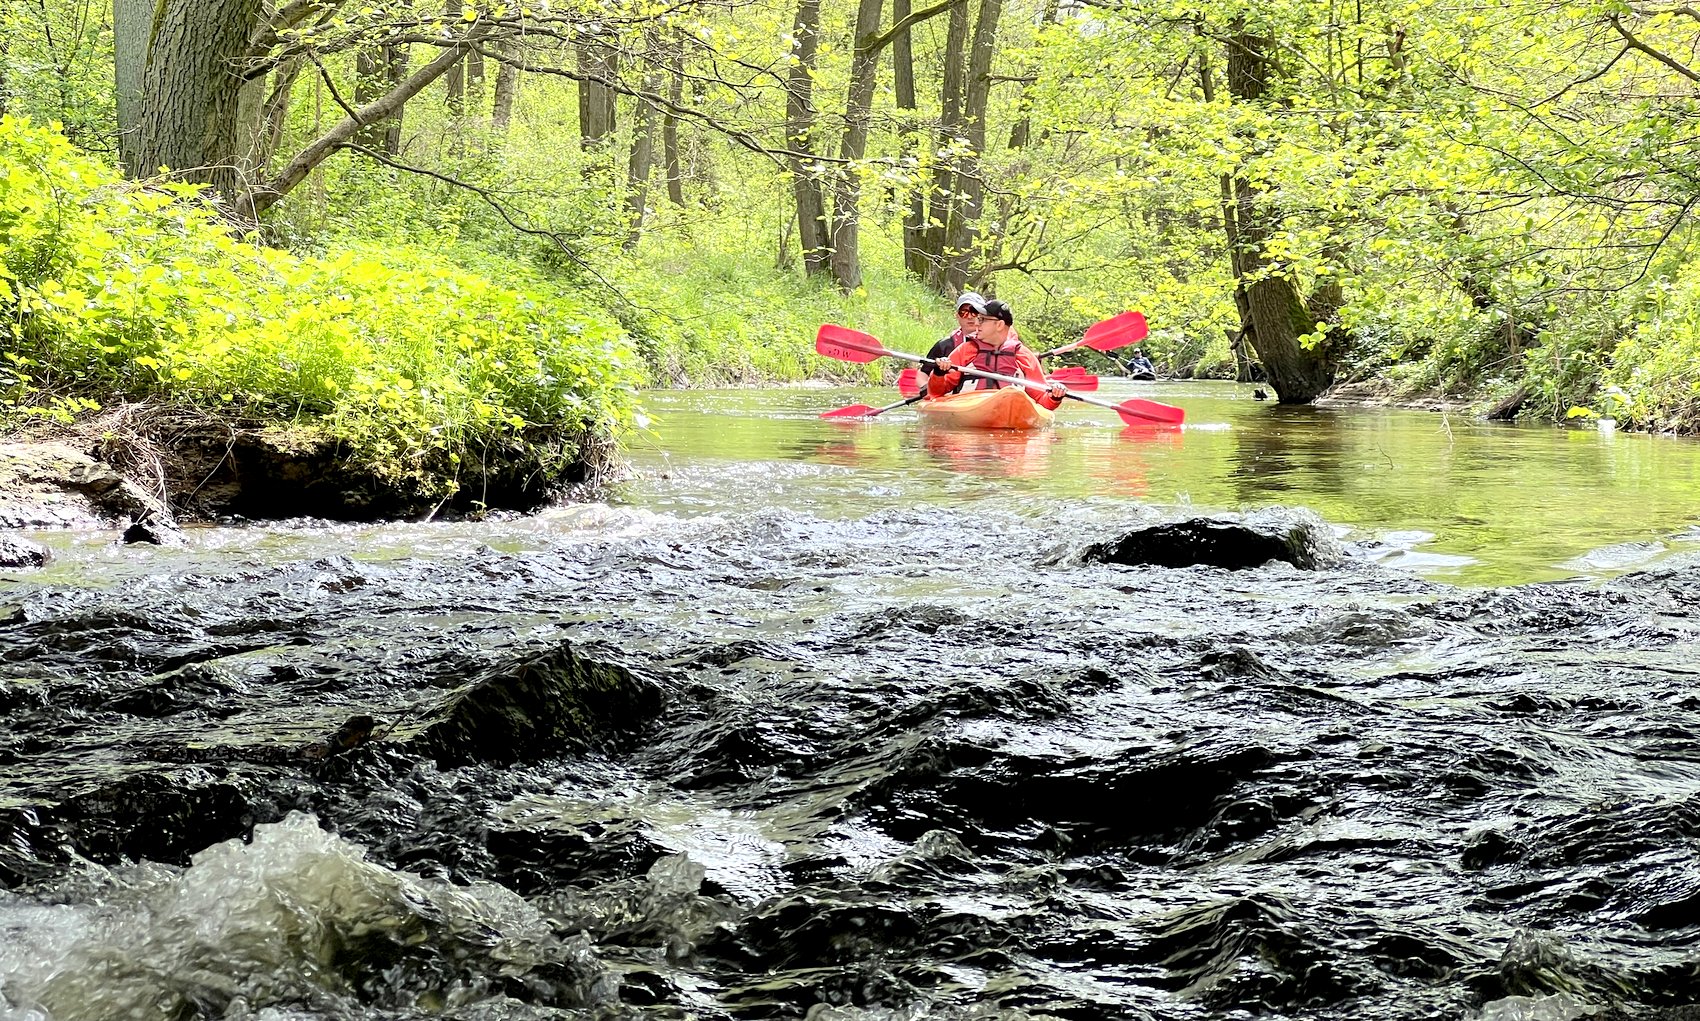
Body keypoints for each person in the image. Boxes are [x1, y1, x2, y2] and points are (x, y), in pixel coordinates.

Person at [926, 298, 1066, 410]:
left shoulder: (1024, 356)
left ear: (999, 325)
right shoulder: (965, 350)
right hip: (969, 405)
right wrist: (939, 373)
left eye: (982, 320)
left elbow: (1042, 401)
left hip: (1011, 408)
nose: (976, 324)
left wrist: (1055, 397)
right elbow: (936, 392)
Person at [918, 291, 988, 395]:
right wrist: (926, 388)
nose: (969, 317)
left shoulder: (996, 343)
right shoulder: (944, 345)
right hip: (952, 397)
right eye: (964, 313)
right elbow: (923, 373)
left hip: (984, 394)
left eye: (975, 312)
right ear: (957, 316)